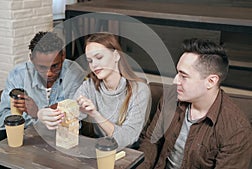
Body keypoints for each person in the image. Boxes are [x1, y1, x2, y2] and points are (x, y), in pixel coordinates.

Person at [138, 38, 252, 169]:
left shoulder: (236, 130)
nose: (175, 81)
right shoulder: (171, 97)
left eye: (184, 76)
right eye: (177, 73)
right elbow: (151, 141)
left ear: (211, 81)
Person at [38, 32, 151, 147]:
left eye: (99, 57)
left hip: (127, 155)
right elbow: (69, 114)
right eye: (90, 61)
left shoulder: (139, 90)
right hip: (97, 148)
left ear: (116, 56)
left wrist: (95, 115)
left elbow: (127, 139)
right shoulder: (89, 86)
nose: (94, 65)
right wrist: (44, 115)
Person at [0, 31, 87, 129]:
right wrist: (38, 116)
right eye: (42, 67)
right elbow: (1, 120)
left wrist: (36, 113)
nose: (49, 73)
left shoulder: (75, 73)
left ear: (63, 56)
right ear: (31, 59)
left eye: (55, 66)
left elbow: (75, 120)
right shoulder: (18, 75)